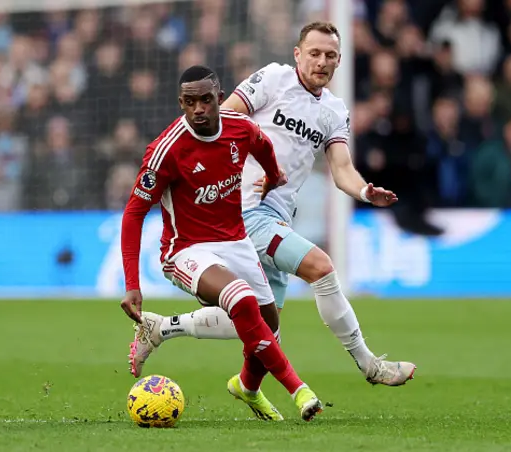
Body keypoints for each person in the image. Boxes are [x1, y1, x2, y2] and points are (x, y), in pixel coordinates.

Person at [132, 22, 416, 388]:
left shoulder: (333, 110)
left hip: (279, 216)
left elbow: (342, 168)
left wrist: (364, 192)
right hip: (246, 209)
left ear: (339, 60)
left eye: (330, 55)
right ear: (298, 54)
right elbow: (225, 119)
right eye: (314, 53)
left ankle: (165, 330)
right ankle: (370, 365)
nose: (321, 62)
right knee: (321, 267)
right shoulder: (273, 78)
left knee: (262, 324)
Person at [120, 65, 322, 422]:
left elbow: (263, 147)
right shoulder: (166, 150)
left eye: (206, 100)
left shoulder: (240, 129)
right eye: (189, 102)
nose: (198, 109)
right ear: (181, 103)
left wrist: (274, 177)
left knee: (269, 322)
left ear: (219, 96)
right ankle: (298, 389)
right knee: (241, 299)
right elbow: (134, 213)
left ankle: (247, 386)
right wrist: (132, 285)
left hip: (235, 240)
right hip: (185, 250)